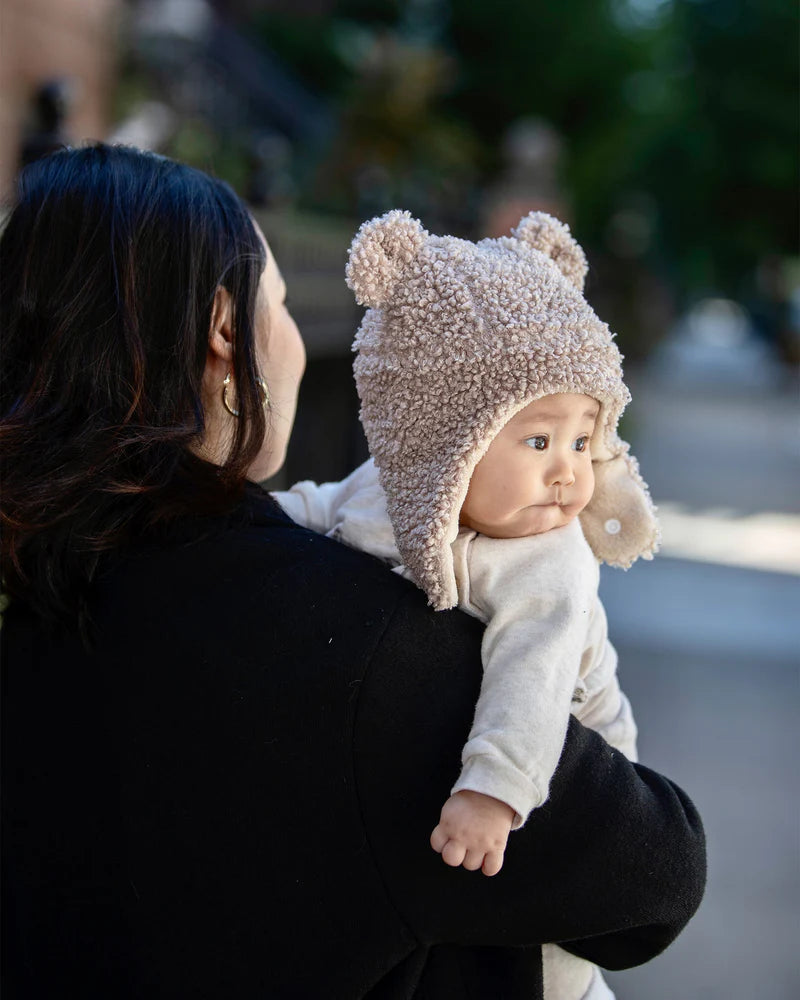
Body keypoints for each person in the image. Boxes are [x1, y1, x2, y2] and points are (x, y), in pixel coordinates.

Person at [0, 144, 705, 1000]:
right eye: (285, 305)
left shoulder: (43, 588)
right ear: (226, 328)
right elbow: (653, 881)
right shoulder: (363, 648)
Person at [273, 210, 659, 1000]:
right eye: (539, 442)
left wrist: (494, 793)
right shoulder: (394, 492)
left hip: (558, 742)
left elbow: (535, 677)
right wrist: (248, 520)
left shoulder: (547, 560)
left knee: (552, 953)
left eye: (584, 441)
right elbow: (318, 506)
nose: (568, 476)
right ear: (444, 440)